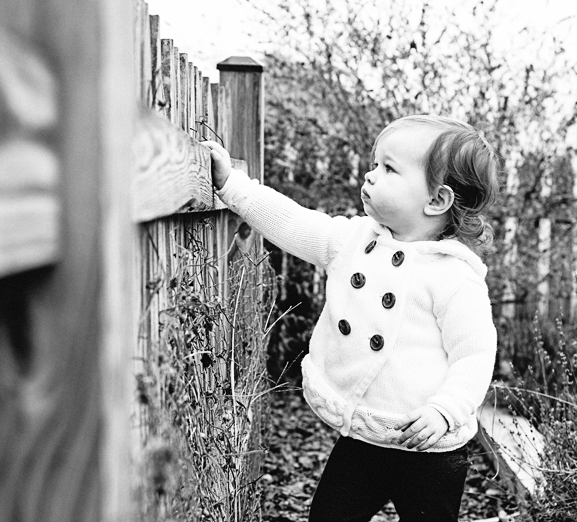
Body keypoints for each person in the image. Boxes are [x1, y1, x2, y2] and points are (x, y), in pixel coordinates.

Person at [202, 115, 500, 522]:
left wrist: (445, 409)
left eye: (389, 168)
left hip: (428, 448)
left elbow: (476, 355)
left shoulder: (453, 276)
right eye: (375, 164)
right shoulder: (355, 241)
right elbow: (292, 222)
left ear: (436, 200)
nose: (370, 175)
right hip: (364, 436)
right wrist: (232, 185)